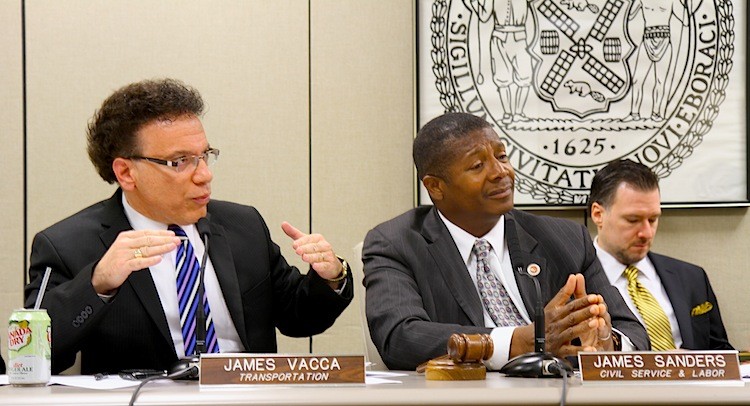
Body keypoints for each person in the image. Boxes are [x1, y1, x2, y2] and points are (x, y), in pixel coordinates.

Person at [24, 78, 353, 374]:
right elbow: (34, 356)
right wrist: (97, 284)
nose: (204, 175)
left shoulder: (243, 225)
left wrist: (331, 276)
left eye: (205, 155)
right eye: (180, 162)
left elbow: (299, 318)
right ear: (126, 172)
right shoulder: (67, 244)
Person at [362, 112, 648, 371]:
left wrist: (605, 343)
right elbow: (400, 337)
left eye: (502, 157)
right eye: (477, 165)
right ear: (435, 187)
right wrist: (516, 342)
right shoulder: (396, 243)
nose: (501, 172)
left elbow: (633, 333)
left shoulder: (564, 238)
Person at [588, 159, 733, 350]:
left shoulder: (691, 277)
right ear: (598, 214)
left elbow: (721, 353)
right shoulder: (572, 282)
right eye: (633, 220)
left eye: (653, 219)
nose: (646, 233)